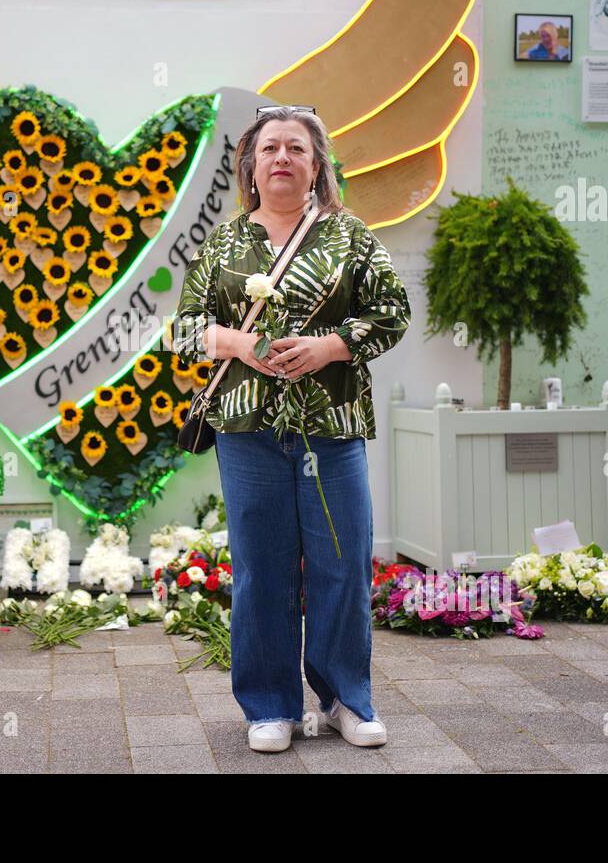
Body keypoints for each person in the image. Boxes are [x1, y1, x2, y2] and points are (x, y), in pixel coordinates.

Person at [169, 105, 411, 753]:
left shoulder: (349, 237)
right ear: (250, 164)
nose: (282, 157)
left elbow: (394, 310)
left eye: (296, 149)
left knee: (342, 563)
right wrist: (238, 345)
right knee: (260, 569)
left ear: (316, 165)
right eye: (269, 147)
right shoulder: (223, 243)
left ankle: (343, 701)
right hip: (247, 431)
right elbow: (182, 331)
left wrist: (332, 346)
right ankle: (269, 706)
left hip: (330, 428)